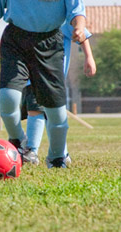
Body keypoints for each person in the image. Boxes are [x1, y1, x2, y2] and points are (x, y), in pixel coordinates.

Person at [0, 0, 87, 168]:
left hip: (50, 44)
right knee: (8, 97)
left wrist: (79, 26)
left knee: (56, 112)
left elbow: (77, 12)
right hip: (15, 41)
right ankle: (20, 142)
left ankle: (57, 157)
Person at [20, 23, 95, 165]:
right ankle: (31, 151)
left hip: (54, 78)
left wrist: (88, 57)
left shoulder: (61, 20)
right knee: (35, 109)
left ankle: (59, 153)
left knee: (53, 116)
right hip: (33, 75)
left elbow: (82, 34)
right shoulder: (29, 16)